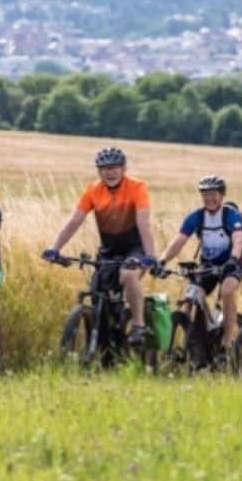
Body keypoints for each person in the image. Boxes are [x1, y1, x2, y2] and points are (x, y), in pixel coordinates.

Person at [42, 147, 157, 343]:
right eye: (104, 168)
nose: (109, 172)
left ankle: (138, 325)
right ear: (98, 171)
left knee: (129, 275)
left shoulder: (137, 187)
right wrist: (55, 248)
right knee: (98, 299)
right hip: (108, 252)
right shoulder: (93, 190)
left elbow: (143, 223)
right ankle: (104, 351)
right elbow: (75, 220)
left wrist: (150, 256)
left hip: (134, 249)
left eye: (114, 168)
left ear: (124, 169)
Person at [156, 174, 242, 350]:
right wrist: (162, 260)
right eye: (205, 194)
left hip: (233, 263)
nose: (209, 198)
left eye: (214, 194)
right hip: (209, 264)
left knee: (227, 290)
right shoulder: (196, 216)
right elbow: (179, 241)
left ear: (221, 195)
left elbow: (238, 240)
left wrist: (234, 258)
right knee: (193, 292)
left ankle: (228, 340)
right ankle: (198, 334)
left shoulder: (231, 215)